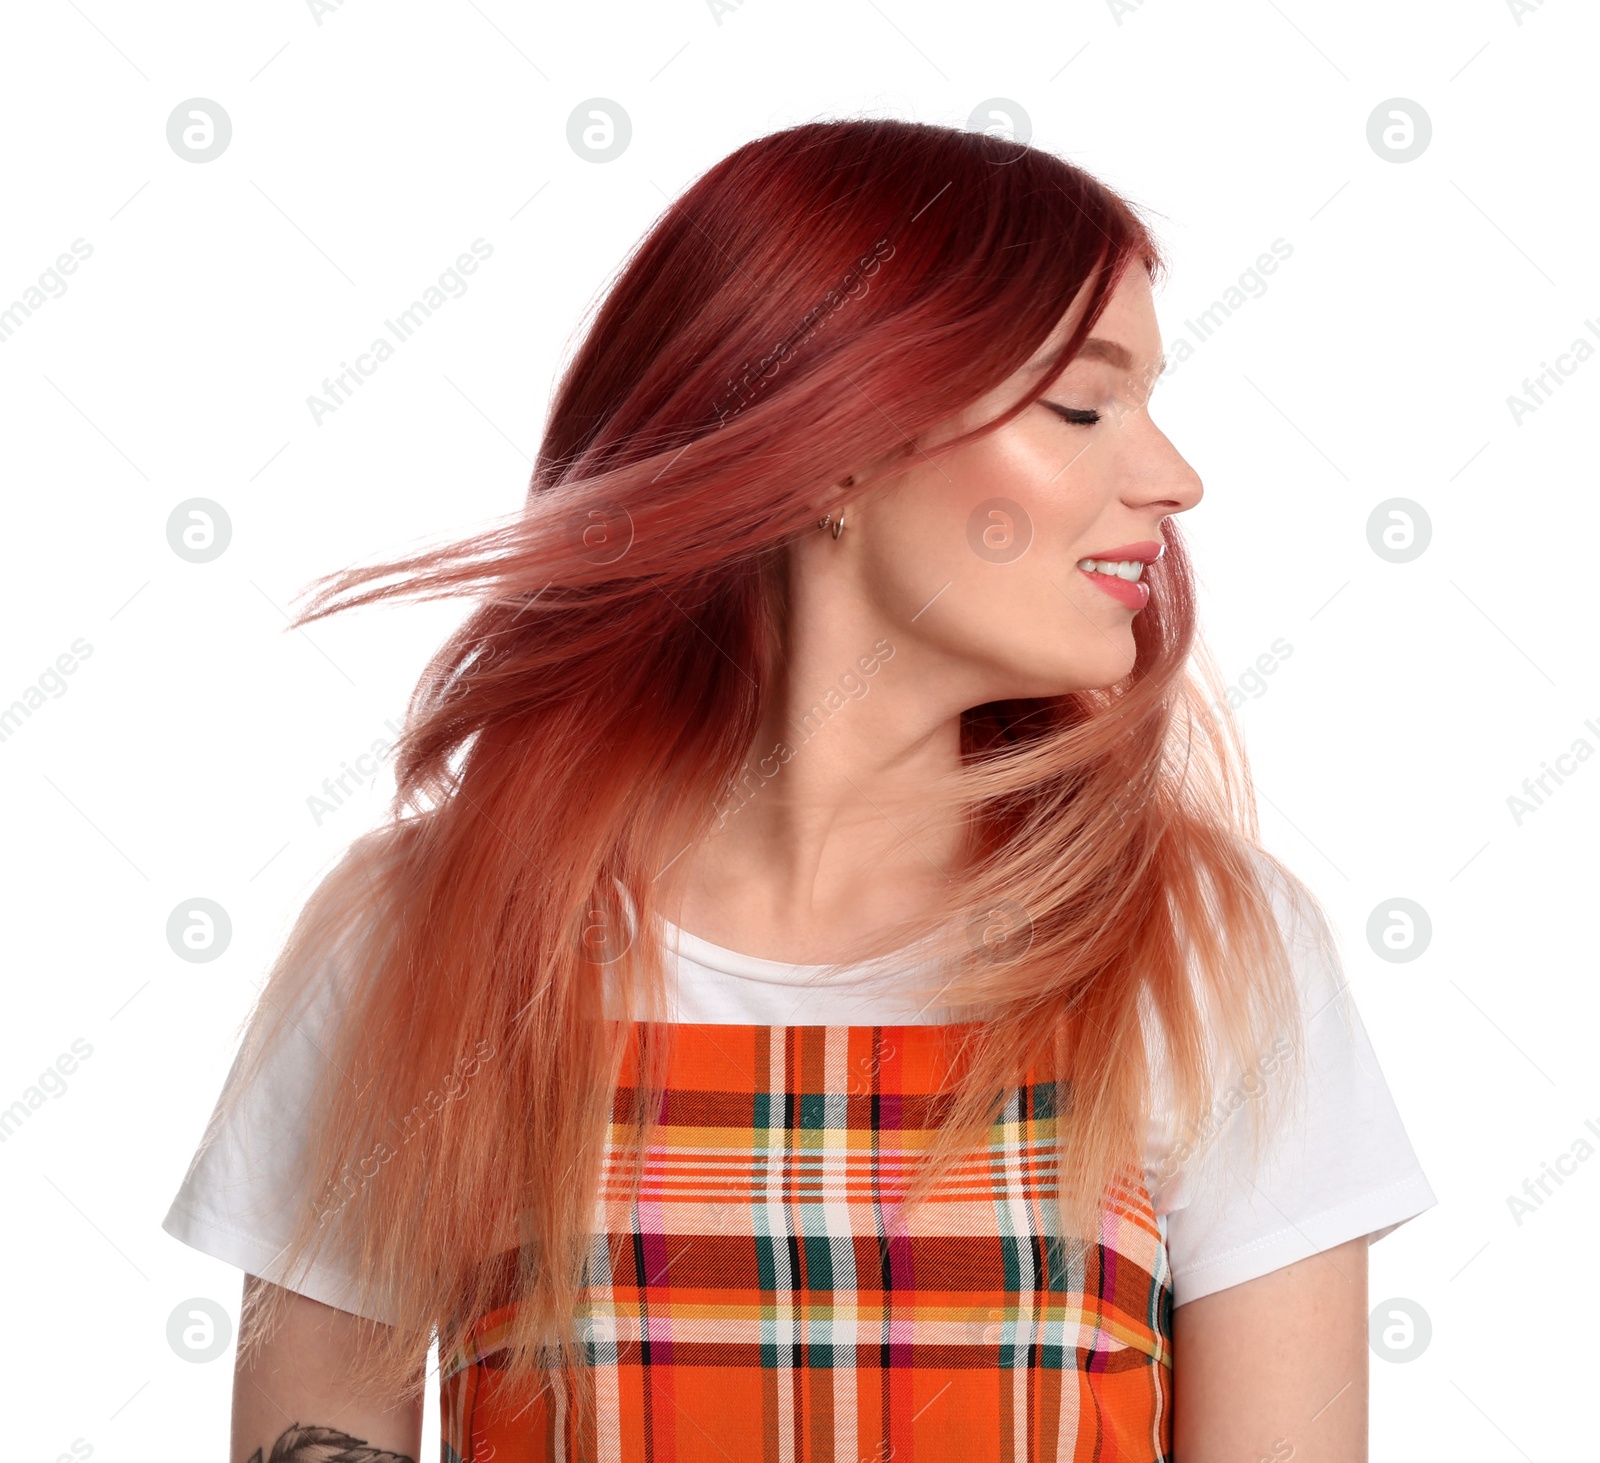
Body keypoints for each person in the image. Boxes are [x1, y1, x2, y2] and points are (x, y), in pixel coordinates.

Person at [162, 117, 1434, 1462]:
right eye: (1082, 403)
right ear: (832, 447)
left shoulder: (1209, 951)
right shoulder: (422, 938)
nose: (1174, 477)